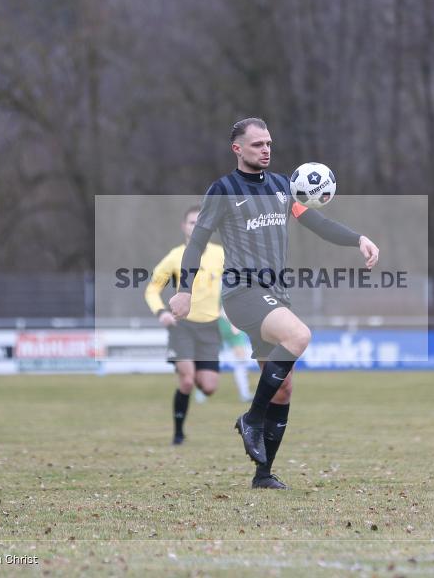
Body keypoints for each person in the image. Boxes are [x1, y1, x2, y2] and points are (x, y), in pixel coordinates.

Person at [169, 118, 379, 489]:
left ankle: (263, 474)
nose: (265, 149)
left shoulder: (284, 187)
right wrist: (185, 289)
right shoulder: (223, 190)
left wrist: (357, 238)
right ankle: (251, 418)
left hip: (275, 294)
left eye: (268, 143)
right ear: (237, 149)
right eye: (257, 144)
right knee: (299, 335)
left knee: (283, 388)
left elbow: (316, 222)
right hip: (242, 292)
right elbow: (197, 243)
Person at [145, 205, 224, 445]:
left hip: (210, 326)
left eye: (201, 222)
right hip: (182, 327)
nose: (196, 226)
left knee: (209, 387)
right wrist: (161, 312)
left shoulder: (221, 254)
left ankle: (195, 370)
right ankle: (178, 433)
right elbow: (152, 289)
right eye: (192, 222)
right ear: (184, 226)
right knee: (187, 381)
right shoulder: (174, 256)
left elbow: (239, 281)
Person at [218, 312, 254, 403]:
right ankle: (244, 394)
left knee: (240, 361)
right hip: (230, 324)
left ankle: (201, 394)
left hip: (219, 324)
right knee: (241, 362)